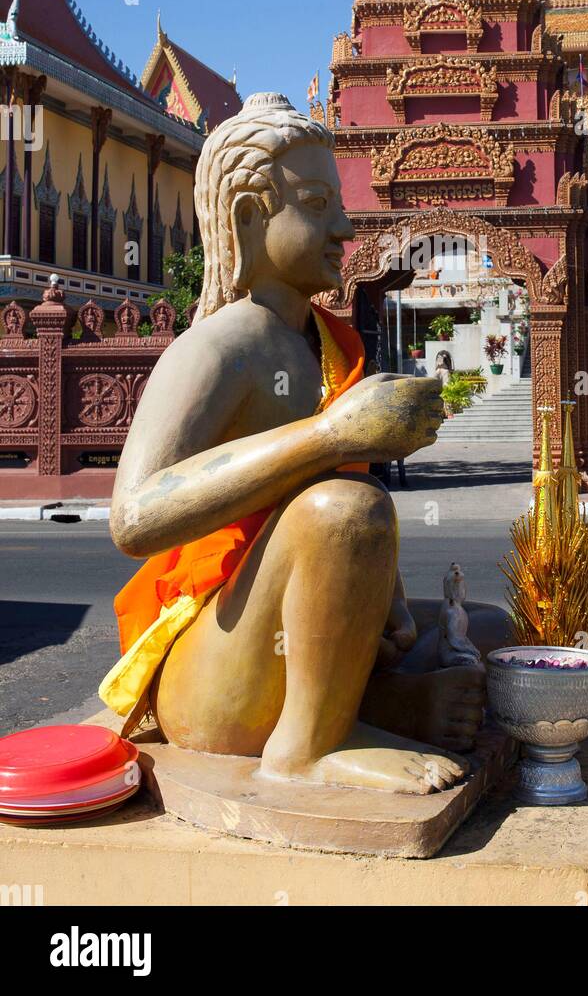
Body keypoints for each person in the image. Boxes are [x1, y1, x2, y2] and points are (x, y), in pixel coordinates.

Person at [100, 93, 507, 793]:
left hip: (280, 647)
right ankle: (307, 748)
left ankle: (374, 707)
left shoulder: (322, 341)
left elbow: (329, 530)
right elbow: (134, 516)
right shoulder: (219, 347)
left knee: (490, 631)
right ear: (250, 216)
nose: (345, 228)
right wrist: (326, 435)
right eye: (318, 203)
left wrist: (391, 604)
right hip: (216, 670)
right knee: (342, 510)